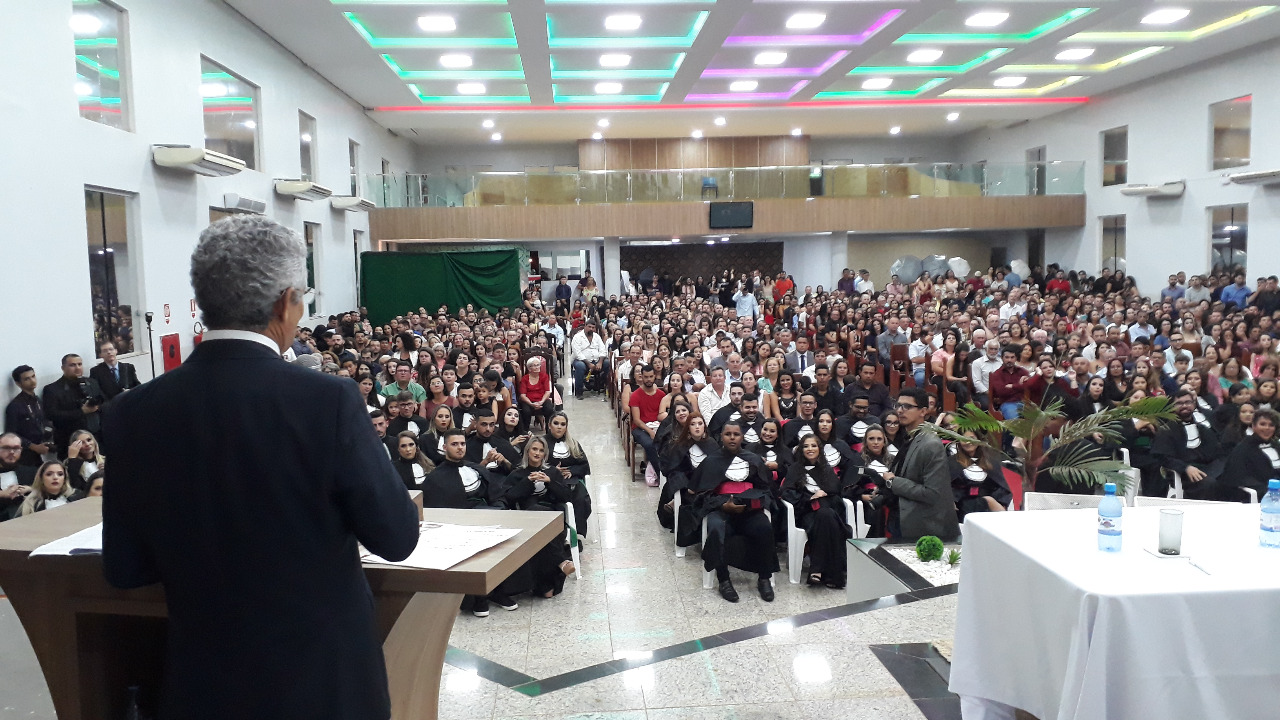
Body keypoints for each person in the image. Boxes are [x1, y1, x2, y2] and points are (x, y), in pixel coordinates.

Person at [101, 215, 420, 720]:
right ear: (284, 301)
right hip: (322, 681)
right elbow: (396, 537)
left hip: (202, 683)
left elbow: (125, 568)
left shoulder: (130, 412)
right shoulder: (328, 401)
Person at [690, 420, 778, 603]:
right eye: (728, 434)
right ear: (721, 437)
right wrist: (723, 505)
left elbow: (766, 489)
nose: (732, 438)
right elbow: (702, 495)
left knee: (764, 527)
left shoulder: (753, 459)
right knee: (716, 527)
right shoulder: (711, 461)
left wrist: (753, 503)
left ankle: (764, 577)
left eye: (736, 434)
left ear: (742, 437)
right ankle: (724, 580)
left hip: (749, 510)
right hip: (720, 509)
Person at [497, 436, 577, 598]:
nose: (537, 453)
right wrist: (527, 482)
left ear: (545, 454)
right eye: (534, 449)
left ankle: (545, 585)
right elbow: (509, 498)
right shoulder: (517, 473)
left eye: (541, 450)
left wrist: (550, 482)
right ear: (527, 451)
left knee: (545, 529)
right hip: (528, 521)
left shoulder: (552, 472)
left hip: (554, 519)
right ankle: (561, 561)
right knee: (536, 513)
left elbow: (566, 496)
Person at [877, 389, 960, 541]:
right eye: (898, 405)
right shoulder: (911, 437)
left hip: (923, 526)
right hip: (901, 517)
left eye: (907, 406)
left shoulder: (931, 444)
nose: (900, 410)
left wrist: (893, 482)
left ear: (923, 411)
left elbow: (932, 493)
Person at [782, 435, 849, 588]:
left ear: (819, 448)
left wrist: (825, 495)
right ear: (801, 450)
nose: (810, 449)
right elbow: (787, 494)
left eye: (813, 446)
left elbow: (836, 493)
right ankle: (834, 576)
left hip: (829, 511)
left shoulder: (826, 469)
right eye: (806, 446)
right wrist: (810, 498)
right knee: (826, 517)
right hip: (807, 513)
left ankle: (817, 571)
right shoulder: (795, 469)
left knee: (826, 515)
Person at [1152, 390, 1226, 500]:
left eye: (1188, 402)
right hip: (1183, 475)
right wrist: (1186, 468)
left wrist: (1215, 470)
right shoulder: (1166, 431)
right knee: (1209, 484)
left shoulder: (1203, 430)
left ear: (1194, 404)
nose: (1184, 406)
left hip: (1207, 470)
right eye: (1179, 403)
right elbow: (1164, 458)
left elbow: (1217, 454)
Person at [42, 353, 104, 458]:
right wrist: (81, 412)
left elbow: (102, 401)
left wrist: (96, 406)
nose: (77, 368)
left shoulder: (92, 382)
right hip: (68, 439)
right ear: (63, 368)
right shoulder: (52, 389)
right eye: (72, 365)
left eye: (80, 364)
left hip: (94, 436)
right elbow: (51, 415)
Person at [545, 411, 592, 539]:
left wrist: (572, 471)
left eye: (563, 424)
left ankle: (576, 534)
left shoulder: (573, 443)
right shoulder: (541, 443)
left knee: (581, 499)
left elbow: (584, 465)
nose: (559, 427)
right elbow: (535, 464)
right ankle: (559, 535)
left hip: (572, 482)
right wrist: (554, 471)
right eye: (556, 423)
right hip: (550, 482)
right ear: (549, 425)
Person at [1223, 408, 1280, 503]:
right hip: (1263, 495)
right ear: (1253, 426)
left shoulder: (1277, 446)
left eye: (1271, 425)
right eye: (1262, 424)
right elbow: (1238, 478)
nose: (1267, 428)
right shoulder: (1243, 449)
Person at [5, 366, 51, 466]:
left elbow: (44, 421)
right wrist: (33, 446)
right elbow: (11, 434)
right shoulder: (14, 406)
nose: (32, 381)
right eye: (27, 379)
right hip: (24, 455)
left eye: (33, 376)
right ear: (18, 383)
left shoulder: (38, 400)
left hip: (41, 449)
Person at [629, 364, 666, 486]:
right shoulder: (635, 395)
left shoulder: (661, 395)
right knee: (650, 444)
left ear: (655, 376)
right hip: (640, 428)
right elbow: (636, 420)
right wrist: (650, 431)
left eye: (651, 376)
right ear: (642, 377)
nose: (649, 379)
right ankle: (660, 475)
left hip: (658, 426)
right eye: (646, 377)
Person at [0, 433, 36, 519]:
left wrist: (31, 489)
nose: (12, 452)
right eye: (6, 448)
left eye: (16, 448)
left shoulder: (31, 472)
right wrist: (2, 494)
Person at [570, 320, 609, 397]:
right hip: (581, 361)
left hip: (596, 361)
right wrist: (588, 364)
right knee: (580, 366)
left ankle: (600, 385)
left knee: (607, 363)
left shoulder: (597, 336)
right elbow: (577, 353)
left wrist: (600, 362)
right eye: (589, 327)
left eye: (593, 327)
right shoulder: (577, 337)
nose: (591, 329)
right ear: (585, 326)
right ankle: (579, 392)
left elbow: (602, 350)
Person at [517, 356, 554, 430]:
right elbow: (523, 395)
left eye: (538, 365)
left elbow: (547, 392)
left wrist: (541, 402)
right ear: (529, 368)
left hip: (542, 400)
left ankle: (549, 430)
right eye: (534, 365)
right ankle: (525, 431)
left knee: (549, 408)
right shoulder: (525, 378)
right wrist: (531, 404)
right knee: (526, 411)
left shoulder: (544, 376)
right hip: (528, 401)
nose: (537, 367)